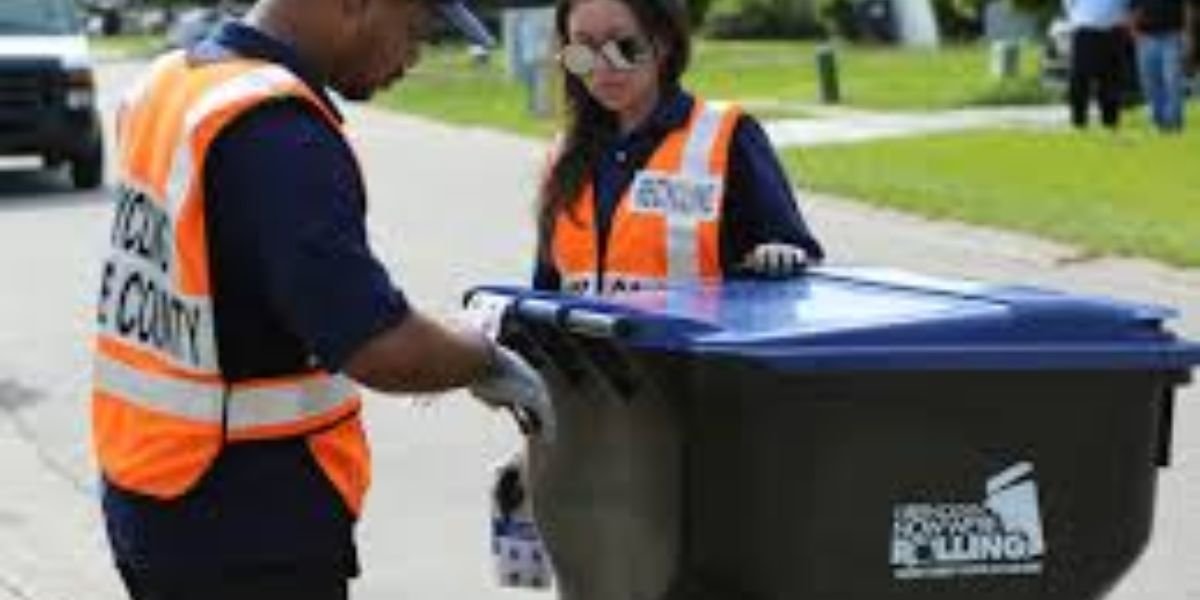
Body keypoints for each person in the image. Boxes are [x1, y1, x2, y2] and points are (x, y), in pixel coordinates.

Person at [90, 0, 554, 599]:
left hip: (152, 490)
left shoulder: (174, 81)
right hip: (248, 530)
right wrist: (484, 356)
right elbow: (379, 346)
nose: (416, 54)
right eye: (415, 28)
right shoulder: (277, 131)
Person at [531, 0, 824, 295]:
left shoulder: (727, 136)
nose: (602, 66)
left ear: (663, 43)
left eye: (623, 47)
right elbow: (544, 292)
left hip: (694, 341)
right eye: (582, 52)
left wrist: (779, 255)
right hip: (580, 342)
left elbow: (796, 260)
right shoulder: (563, 155)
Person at [1063, 0, 1133, 129]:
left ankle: (1110, 124)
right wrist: (1076, 19)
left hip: (1114, 31)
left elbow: (1128, 5)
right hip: (1085, 30)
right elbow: (1068, 4)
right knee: (1080, 80)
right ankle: (1079, 123)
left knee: (1111, 82)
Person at [1130, 0, 1197, 131]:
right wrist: (1134, 32)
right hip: (1146, 38)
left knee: (1172, 81)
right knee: (1150, 83)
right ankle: (1158, 122)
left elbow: (1187, 8)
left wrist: (1189, 36)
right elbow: (1134, 8)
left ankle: (1174, 123)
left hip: (1172, 37)